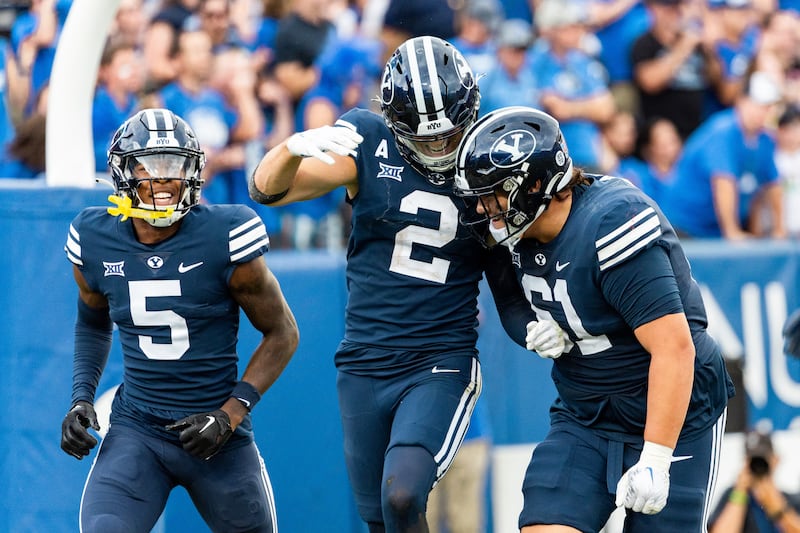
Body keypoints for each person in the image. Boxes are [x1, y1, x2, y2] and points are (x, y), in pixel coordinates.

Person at [249, 35, 534, 532]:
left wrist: (536, 329)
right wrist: (289, 150)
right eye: (426, 138)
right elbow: (267, 190)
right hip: (364, 361)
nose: (442, 149)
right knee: (378, 518)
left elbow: (505, 276)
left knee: (402, 495)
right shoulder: (367, 138)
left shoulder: (487, 157)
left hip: (438, 359)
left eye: (449, 134)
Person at [452, 105, 735, 532]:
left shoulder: (610, 221)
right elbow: (510, 301)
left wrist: (656, 458)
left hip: (672, 410)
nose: (482, 208)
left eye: (492, 194)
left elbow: (675, 347)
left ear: (532, 187)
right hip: (587, 412)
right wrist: (529, 328)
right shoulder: (508, 231)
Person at [59, 108, 299, 532]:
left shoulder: (226, 234)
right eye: (150, 166)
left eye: (175, 165)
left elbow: (282, 332)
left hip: (217, 436)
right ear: (123, 172)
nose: (164, 179)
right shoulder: (94, 238)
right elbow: (93, 321)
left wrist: (229, 414)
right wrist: (81, 397)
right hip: (138, 430)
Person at [708, 428, 800, 532]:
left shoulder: (791, 499)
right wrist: (740, 492)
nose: (758, 465)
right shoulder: (732, 496)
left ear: (775, 459)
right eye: (753, 460)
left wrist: (778, 509)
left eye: (763, 459)